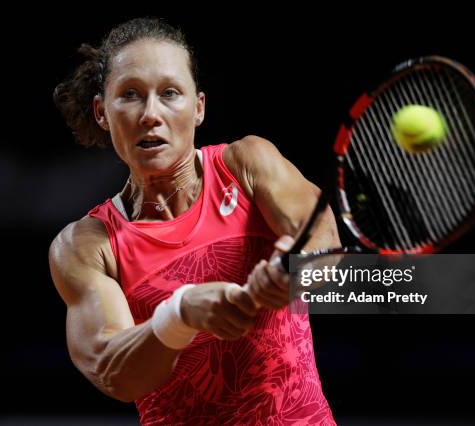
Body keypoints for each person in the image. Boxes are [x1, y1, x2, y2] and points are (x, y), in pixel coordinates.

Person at [49, 17, 340, 425]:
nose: (151, 114)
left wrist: (291, 272)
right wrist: (179, 314)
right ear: (101, 112)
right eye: (130, 95)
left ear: (198, 108)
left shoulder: (246, 164)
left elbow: (322, 238)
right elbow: (113, 372)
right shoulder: (87, 245)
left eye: (170, 93)